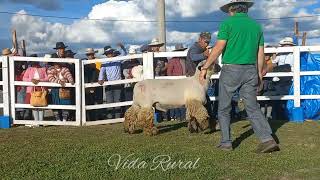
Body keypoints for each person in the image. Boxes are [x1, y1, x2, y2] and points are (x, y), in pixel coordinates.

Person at [199, 0, 279, 153]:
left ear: (231, 10)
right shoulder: (256, 26)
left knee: (224, 107)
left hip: (231, 70)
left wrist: (205, 67)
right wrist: (259, 73)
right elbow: (260, 53)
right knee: (252, 107)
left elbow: (218, 48)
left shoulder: (227, 24)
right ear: (245, 9)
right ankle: (267, 139)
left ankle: (226, 142)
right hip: (250, 69)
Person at [98, 46, 122, 119]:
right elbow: (102, 71)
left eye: (110, 53)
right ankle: (110, 117)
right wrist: (100, 79)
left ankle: (117, 117)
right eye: (107, 53)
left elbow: (124, 54)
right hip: (109, 84)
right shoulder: (105, 62)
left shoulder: (118, 59)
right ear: (106, 54)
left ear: (112, 53)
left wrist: (122, 48)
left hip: (117, 83)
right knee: (109, 101)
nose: (109, 54)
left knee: (117, 100)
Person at [167, 43, 187, 121]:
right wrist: (172, 82)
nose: (181, 52)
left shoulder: (185, 59)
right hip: (175, 83)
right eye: (180, 50)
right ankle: (177, 116)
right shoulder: (172, 60)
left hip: (184, 82)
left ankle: (183, 116)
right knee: (176, 100)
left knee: (183, 99)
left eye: (182, 50)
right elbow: (169, 72)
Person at [84, 48, 103, 120]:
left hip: (97, 83)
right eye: (88, 54)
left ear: (93, 54)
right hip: (89, 85)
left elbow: (100, 72)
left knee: (99, 101)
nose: (90, 56)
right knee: (89, 101)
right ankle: (91, 118)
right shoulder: (85, 63)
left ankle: (99, 116)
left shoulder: (98, 61)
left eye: (91, 54)